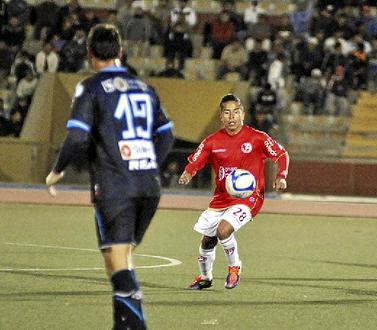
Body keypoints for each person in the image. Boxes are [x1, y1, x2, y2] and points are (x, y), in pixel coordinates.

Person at [45, 24, 175, 329]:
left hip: (115, 185)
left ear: (90, 55)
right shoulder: (145, 87)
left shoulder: (89, 88)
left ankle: (136, 325)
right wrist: (146, 163)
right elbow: (167, 135)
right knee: (120, 258)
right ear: (120, 52)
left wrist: (57, 170)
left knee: (118, 262)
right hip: (150, 187)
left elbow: (77, 138)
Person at [178, 94, 289, 290]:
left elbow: (282, 154)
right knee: (207, 241)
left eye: (236, 112)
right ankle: (205, 278)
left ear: (243, 114)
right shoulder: (212, 141)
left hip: (249, 197)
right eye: (227, 112)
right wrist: (188, 173)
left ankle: (234, 267)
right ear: (221, 116)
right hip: (221, 199)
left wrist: (281, 175)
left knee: (223, 230)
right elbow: (195, 161)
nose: (232, 117)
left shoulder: (258, 138)